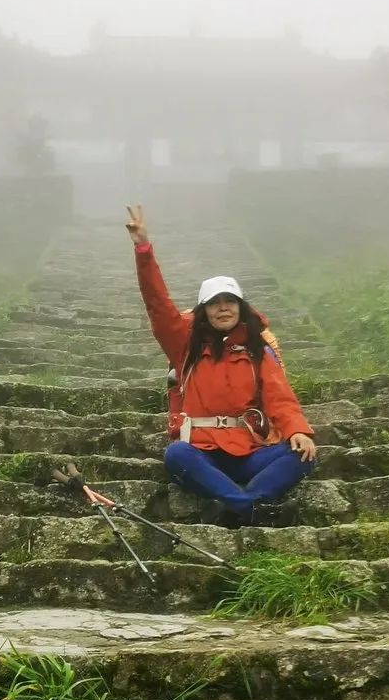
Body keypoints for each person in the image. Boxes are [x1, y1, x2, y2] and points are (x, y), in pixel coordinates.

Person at [126, 203, 317, 527]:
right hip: (203, 452)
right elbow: (158, 305)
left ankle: (236, 506)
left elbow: (279, 396)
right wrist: (143, 249)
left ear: (241, 308)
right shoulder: (185, 346)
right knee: (176, 456)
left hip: (252, 450)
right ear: (204, 311)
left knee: (302, 453)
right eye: (214, 304)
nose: (223, 309)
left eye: (229, 302)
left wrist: (298, 430)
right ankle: (252, 508)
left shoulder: (259, 350)